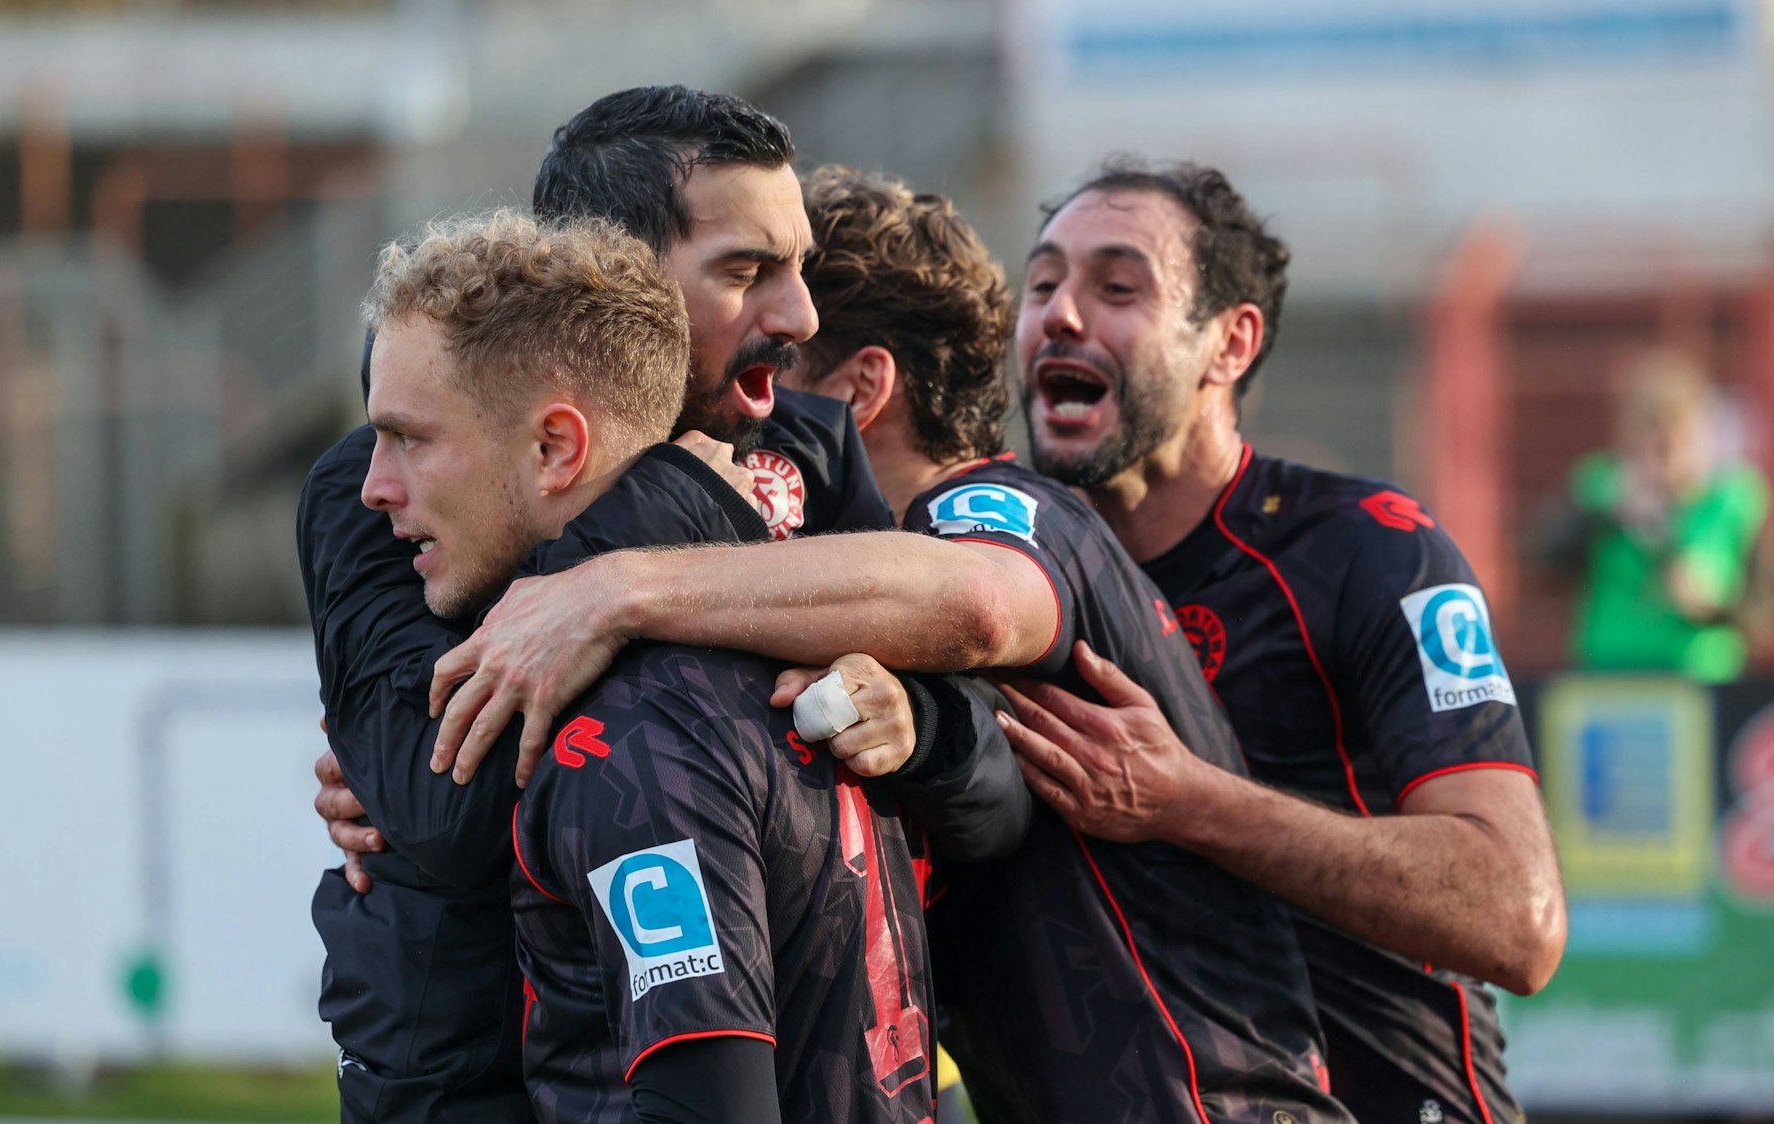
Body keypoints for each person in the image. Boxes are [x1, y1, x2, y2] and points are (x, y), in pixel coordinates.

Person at [430, 166, 1348, 1123]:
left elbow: (979, 608)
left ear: (863, 389)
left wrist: (613, 591)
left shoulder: (981, 511)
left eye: (779, 371)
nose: (749, 409)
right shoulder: (857, 607)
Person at [302, 86, 1008, 1122]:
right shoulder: (396, 475)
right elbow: (443, 810)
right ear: (614, 275)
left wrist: (917, 719)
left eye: (797, 264)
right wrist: (671, 501)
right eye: (745, 270)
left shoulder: (806, 451)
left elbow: (990, 780)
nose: (801, 316)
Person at [988, 161, 1567, 1123]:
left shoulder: (1369, 550)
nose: (1061, 316)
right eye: (1043, 283)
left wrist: (1186, 801)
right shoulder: (997, 564)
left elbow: (1518, 918)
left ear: (1229, 342)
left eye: (1117, 287)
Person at [1555, 348, 1770, 682]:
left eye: (1679, 438)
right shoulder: (1605, 487)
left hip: (1701, 683)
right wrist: (1611, 513)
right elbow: (1548, 558)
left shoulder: (1736, 499)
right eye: (1654, 438)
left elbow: (1765, 615)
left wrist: (1712, 606)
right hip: (1609, 675)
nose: (1668, 454)